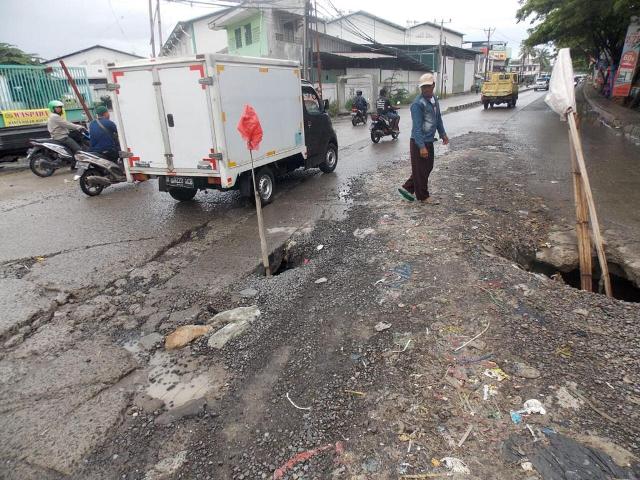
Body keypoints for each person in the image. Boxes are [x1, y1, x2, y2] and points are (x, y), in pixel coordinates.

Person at [398, 72, 449, 204]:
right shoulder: (417, 104)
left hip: (429, 141)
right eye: (423, 87)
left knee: (426, 168)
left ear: (433, 85)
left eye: (428, 86)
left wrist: (443, 134)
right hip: (418, 142)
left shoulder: (434, 100)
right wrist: (421, 146)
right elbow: (417, 127)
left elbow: (438, 119)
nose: (426, 89)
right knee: (421, 169)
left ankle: (407, 188)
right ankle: (423, 196)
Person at [46, 100, 85, 168]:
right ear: (52, 108)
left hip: (58, 136)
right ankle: (80, 165)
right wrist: (78, 127)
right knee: (78, 149)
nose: (59, 109)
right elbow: (66, 124)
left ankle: (73, 164)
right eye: (57, 107)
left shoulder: (53, 116)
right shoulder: (55, 116)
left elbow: (64, 124)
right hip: (61, 137)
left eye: (60, 107)